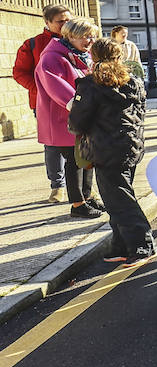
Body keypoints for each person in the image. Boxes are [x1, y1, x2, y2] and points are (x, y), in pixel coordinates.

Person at [69, 38, 155, 263]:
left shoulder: (89, 85)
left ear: (94, 58)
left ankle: (143, 245)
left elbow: (77, 122)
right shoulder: (134, 82)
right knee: (119, 195)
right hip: (131, 146)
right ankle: (121, 245)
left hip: (104, 149)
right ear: (120, 57)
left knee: (118, 199)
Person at [35, 16, 100, 217]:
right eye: (84, 37)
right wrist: (76, 104)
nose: (89, 41)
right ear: (70, 35)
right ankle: (78, 204)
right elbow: (54, 84)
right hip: (63, 118)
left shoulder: (79, 54)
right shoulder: (53, 56)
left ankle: (87, 197)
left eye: (91, 36)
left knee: (87, 157)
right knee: (74, 161)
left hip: (80, 116)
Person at [14, 4, 72, 203]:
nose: (65, 24)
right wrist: (41, 89)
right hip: (45, 103)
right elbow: (19, 72)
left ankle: (82, 187)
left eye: (68, 20)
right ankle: (58, 187)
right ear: (47, 22)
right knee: (53, 145)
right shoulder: (33, 44)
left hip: (75, 100)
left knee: (81, 142)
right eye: (60, 21)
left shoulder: (77, 39)